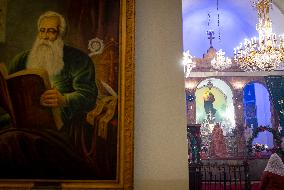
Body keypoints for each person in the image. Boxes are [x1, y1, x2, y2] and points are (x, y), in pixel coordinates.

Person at [0, 11, 99, 179]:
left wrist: (63, 99)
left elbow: (89, 96)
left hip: (56, 128)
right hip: (16, 122)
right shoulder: (21, 59)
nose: (45, 36)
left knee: (10, 142)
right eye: (42, 30)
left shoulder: (79, 60)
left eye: (51, 31)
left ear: (61, 34)